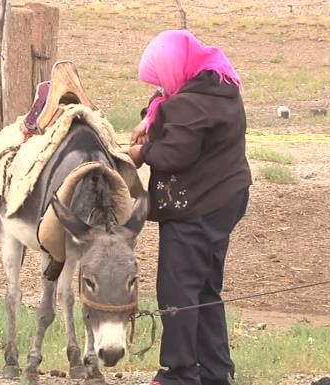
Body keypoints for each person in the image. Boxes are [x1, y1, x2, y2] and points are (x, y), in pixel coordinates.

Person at [127, 30, 252, 385]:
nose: (162, 86)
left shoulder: (191, 105)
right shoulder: (216, 87)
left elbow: (174, 154)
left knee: (178, 289)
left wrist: (140, 153)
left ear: (175, 68)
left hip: (196, 207)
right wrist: (151, 121)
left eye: (162, 77)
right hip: (225, 199)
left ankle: (178, 375)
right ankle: (214, 372)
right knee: (204, 289)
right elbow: (166, 104)